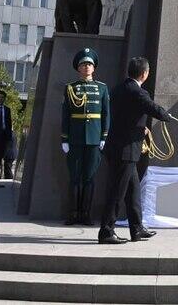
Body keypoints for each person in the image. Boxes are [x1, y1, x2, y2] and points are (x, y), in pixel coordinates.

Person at [99, 57, 172, 245]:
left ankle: (137, 228)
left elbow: (127, 117)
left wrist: (141, 128)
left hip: (120, 147)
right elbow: (152, 108)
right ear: (144, 74)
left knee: (133, 191)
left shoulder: (119, 88)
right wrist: (166, 116)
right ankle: (106, 231)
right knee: (117, 192)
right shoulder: (137, 92)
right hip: (125, 150)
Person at [62, 48, 110, 226]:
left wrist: (104, 136)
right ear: (78, 68)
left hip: (94, 139)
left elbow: (106, 114)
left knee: (89, 178)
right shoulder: (70, 88)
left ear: (94, 68)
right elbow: (65, 115)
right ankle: (73, 214)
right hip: (74, 139)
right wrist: (64, 139)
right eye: (83, 64)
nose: (87, 67)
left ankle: (86, 214)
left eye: (89, 64)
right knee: (75, 177)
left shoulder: (102, 88)